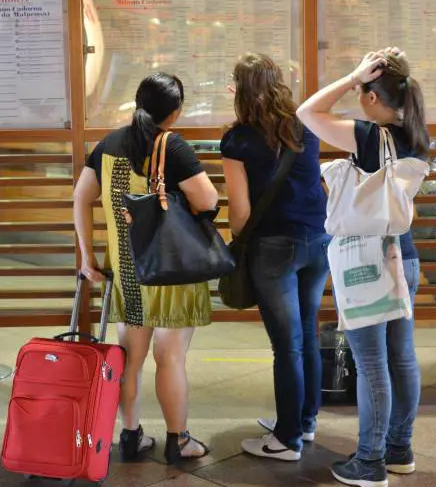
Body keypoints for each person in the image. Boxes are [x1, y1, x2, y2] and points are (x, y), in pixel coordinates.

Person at [297, 47, 428, 487]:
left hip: (366, 260)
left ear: (372, 97)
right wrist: (361, 79)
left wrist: (352, 76)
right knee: (402, 357)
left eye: (361, 92)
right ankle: (399, 450)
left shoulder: (370, 136)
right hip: (404, 255)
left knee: (371, 363)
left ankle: (370, 462)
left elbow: (307, 112)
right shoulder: (415, 134)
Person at [73, 72, 218, 464]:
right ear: (175, 112)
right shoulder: (173, 147)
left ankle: (131, 436)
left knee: (129, 361)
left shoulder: (107, 145)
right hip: (171, 271)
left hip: (128, 272)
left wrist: (87, 258)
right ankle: (178, 441)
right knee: (170, 359)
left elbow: (81, 198)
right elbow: (208, 200)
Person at [221, 53, 330, 462]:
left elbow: (240, 211)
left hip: (274, 249)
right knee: (307, 334)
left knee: (287, 345)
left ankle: (286, 440)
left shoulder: (238, 140)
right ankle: (304, 421)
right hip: (318, 241)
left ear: (241, 91)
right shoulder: (304, 126)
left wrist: (237, 240)